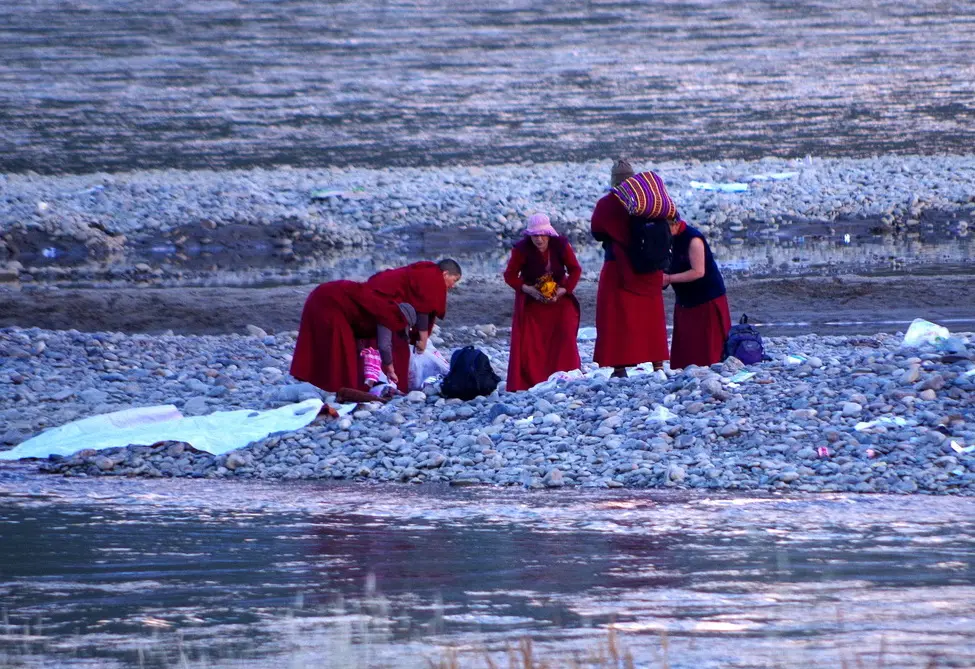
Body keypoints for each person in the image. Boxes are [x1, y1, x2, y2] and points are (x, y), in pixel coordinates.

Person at [590, 159, 669, 378]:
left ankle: (620, 367)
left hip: (618, 265)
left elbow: (597, 232)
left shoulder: (607, 203)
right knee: (651, 316)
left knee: (617, 317)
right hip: (650, 268)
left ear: (614, 181)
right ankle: (658, 365)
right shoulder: (650, 201)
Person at [290, 280, 417, 392]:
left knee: (331, 344)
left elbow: (357, 324)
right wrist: (391, 371)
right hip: (330, 302)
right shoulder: (390, 314)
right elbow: (384, 346)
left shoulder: (382, 305)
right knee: (342, 348)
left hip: (319, 296)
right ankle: (337, 387)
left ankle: (315, 381)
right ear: (402, 321)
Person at [503, 213, 582, 392]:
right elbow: (509, 275)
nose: (538, 239)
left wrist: (563, 291)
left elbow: (575, 269)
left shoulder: (561, 245)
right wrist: (529, 290)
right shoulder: (521, 249)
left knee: (566, 333)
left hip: (559, 298)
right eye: (534, 236)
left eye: (542, 235)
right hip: (533, 299)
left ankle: (566, 375)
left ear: (549, 234)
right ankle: (533, 380)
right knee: (532, 342)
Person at [366, 259, 462, 392]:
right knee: (392, 344)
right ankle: (389, 379)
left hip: (377, 287)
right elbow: (423, 308)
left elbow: (419, 303)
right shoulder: (432, 278)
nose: (452, 286)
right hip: (380, 297)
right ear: (445, 274)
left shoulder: (427, 272)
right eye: (454, 280)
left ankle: (381, 377)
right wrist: (422, 339)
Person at [663, 220, 731, 368]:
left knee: (708, 351)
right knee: (687, 348)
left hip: (706, 297)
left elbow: (698, 271)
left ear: (675, 224)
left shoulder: (693, 239)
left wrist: (669, 278)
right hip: (685, 299)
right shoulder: (669, 238)